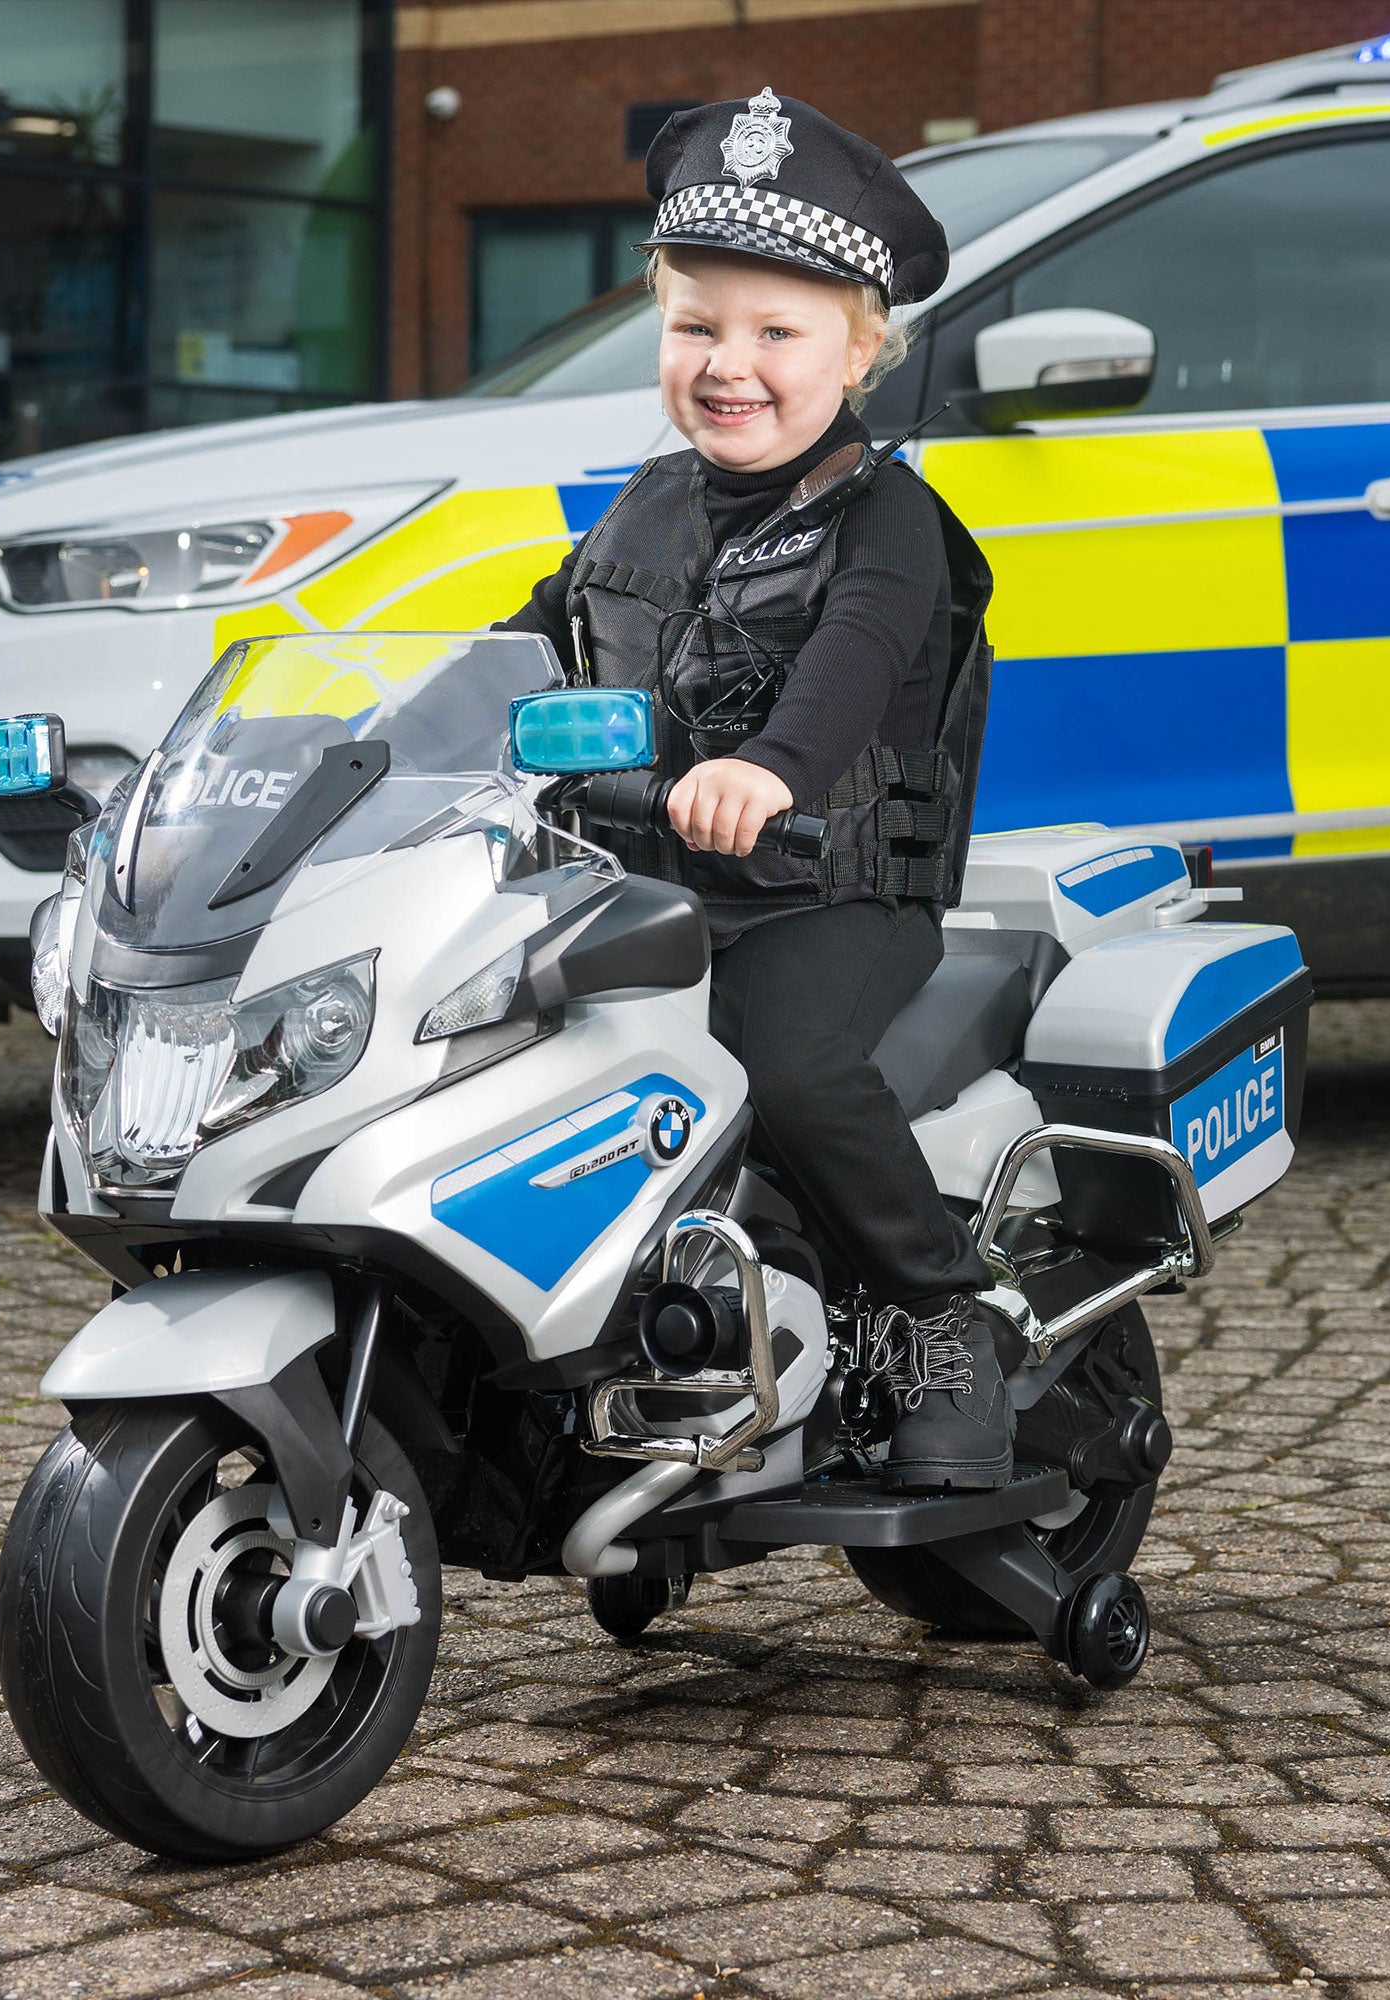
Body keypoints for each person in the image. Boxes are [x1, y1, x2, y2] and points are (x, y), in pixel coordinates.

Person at [500, 89, 1012, 1490]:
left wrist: (762, 769)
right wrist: (382, 722)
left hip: (827, 893)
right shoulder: (644, 501)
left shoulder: (889, 520)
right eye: (696, 327)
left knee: (784, 1063)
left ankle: (937, 1317)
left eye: (777, 332)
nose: (731, 363)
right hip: (657, 890)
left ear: (862, 348)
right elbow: (528, 639)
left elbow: (850, 668)